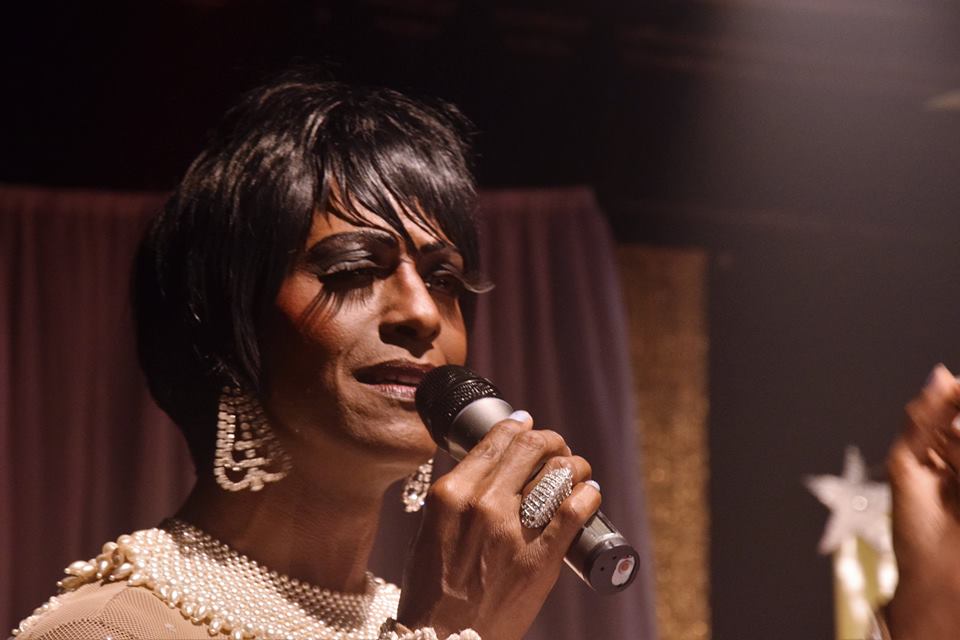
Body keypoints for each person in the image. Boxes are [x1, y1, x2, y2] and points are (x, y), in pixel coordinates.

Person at [10, 75, 601, 640]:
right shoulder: (104, 628)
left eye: (442, 278)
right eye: (353, 269)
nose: (422, 313)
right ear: (227, 325)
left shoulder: (417, 613)